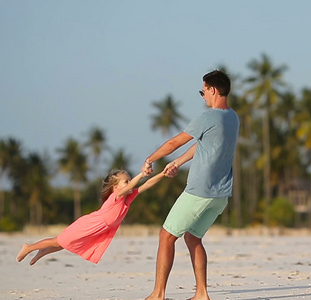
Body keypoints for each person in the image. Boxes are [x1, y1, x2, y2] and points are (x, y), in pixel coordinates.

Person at [143, 70, 239, 300]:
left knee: (166, 236)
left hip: (200, 190)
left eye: (203, 91)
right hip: (220, 195)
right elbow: (203, 146)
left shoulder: (207, 117)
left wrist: (150, 160)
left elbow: (174, 142)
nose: (203, 96)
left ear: (213, 90)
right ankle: (202, 294)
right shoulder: (232, 117)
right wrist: (178, 162)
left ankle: (158, 294)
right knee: (193, 237)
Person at [17, 169, 166, 265]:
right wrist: (141, 174)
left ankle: (41, 252)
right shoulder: (117, 195)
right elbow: (134, 184)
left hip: (100, 229)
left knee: (66, 244)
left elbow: (146, 185)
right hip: (91, 224)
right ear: (116, 187)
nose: (129, 184)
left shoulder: (128, 197)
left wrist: (163, 173)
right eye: (126, 181)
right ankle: (29, 247)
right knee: (60, 240)